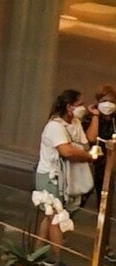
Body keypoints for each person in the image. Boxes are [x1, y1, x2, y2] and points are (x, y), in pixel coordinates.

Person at [38, 89, 97, 226]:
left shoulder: (76, 123)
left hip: (67, 175)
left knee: (52, 217)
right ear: (69, 107)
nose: (83, 107)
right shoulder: (55, 126)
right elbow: (66, 151)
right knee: (56, 216)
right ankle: (56, 247)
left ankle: (40, 245)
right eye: (80, 104)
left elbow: (85, 144)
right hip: (51, 176)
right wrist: (88, 156)